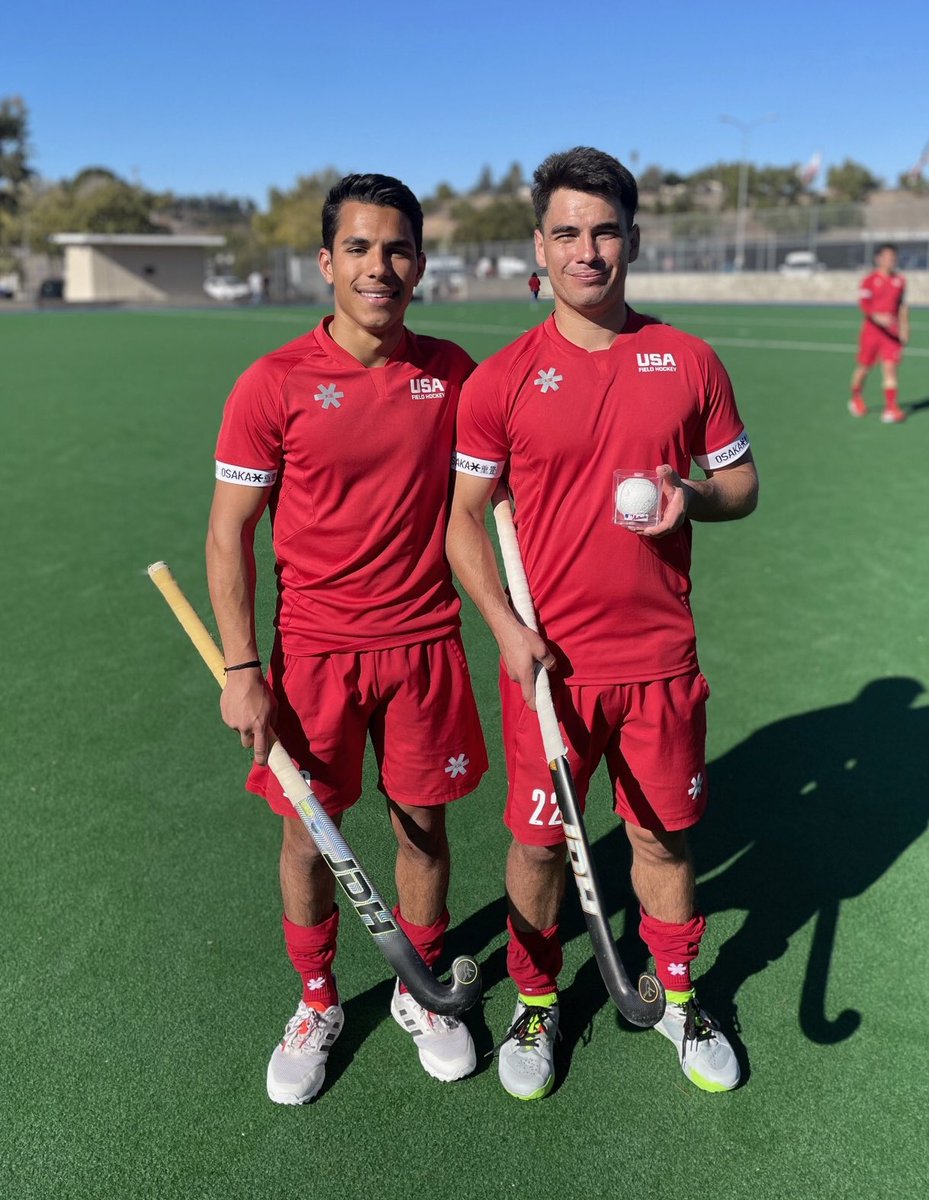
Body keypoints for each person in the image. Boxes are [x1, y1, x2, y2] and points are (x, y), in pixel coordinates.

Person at [446, 146, 759, 1100]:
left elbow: (740, 487)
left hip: (659, 658)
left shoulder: (686, 359)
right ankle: (536, 1000)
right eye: (568, 233)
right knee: (542, 843)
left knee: (661, 838)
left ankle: (677, 991)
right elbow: (463, 523)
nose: (589, 251)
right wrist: (504, 627)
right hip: (546, 667)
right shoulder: (500, 380)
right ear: (539, 249)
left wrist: (691, 502)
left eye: (606, 231)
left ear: (631, 239)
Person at [206, 173, 488, 1105]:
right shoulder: (273, 382)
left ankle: (424, 989)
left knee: (422, 825)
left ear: (421, 263)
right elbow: (227, 533)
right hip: (314, 656)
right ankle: (318, 998)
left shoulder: (452, 372)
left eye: (398, 249)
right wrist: (243, 668)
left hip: (424, 642)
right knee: (307, 837)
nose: (381, 266)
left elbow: (502, 490)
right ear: (327, 262)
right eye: (360, 249)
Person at [849, 243, 908, 423]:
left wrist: (905, 328)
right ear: (878, 259)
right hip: (871, 333)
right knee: (864, 368)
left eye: (893, 257)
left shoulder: (900, 281)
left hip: (891, 334)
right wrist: (877, 317)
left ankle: (890, 409)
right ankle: (856, 397)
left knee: (890, 369)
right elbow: (864, 304)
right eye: (888, 256)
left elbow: (902, 306)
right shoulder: (869, 280)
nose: (891, 260)